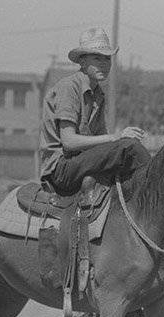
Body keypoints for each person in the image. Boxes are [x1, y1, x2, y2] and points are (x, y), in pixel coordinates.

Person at [39, 27, 150, 196]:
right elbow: (68, 141)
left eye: (107, 59)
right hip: (61, 170)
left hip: (81, 162)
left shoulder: (98, 94)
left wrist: (118, 141)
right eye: (97, 58)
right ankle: (158, 188)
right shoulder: (69, 87)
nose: (104, 64)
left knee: (127, 155)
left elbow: (101, 142)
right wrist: (117, 137)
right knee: (129, 147)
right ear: (82, 62)